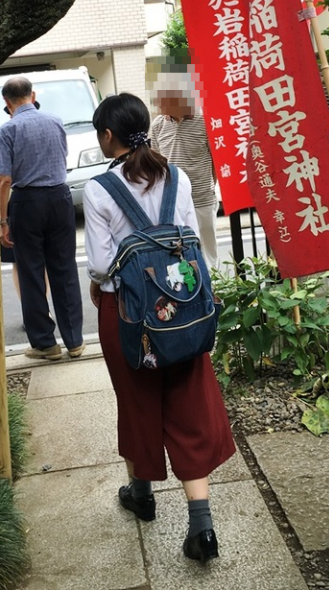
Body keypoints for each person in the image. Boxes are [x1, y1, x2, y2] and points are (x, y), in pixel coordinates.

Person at [83, 92, 235, 563]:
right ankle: (202, 525)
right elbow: (189, 237)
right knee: (189, 403)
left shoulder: (98, 188)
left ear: (108, 137)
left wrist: (102, 286)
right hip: (185, 307)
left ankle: (142, 492)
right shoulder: (178, 177)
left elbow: (102, 265)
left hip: (127, 316)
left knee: (137, 401)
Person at [0, 75, 85, 361]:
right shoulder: (56, 121)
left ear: (6, 102)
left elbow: (4, 179)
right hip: (60, 197)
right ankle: (74, 341)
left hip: (27, 201)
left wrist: (2, 220)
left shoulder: (8, 130)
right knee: (64, 268)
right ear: (32, 96)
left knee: (31, 272)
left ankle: (46, 344)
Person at [151, 73, 220, 270]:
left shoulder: (205, 120)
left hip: (202, 198)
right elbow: (157, 163)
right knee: (179, 253)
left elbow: (215, 160)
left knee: (208, 251)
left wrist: (208, 186)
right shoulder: (158, 126)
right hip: (172, 202)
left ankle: (213, 289)